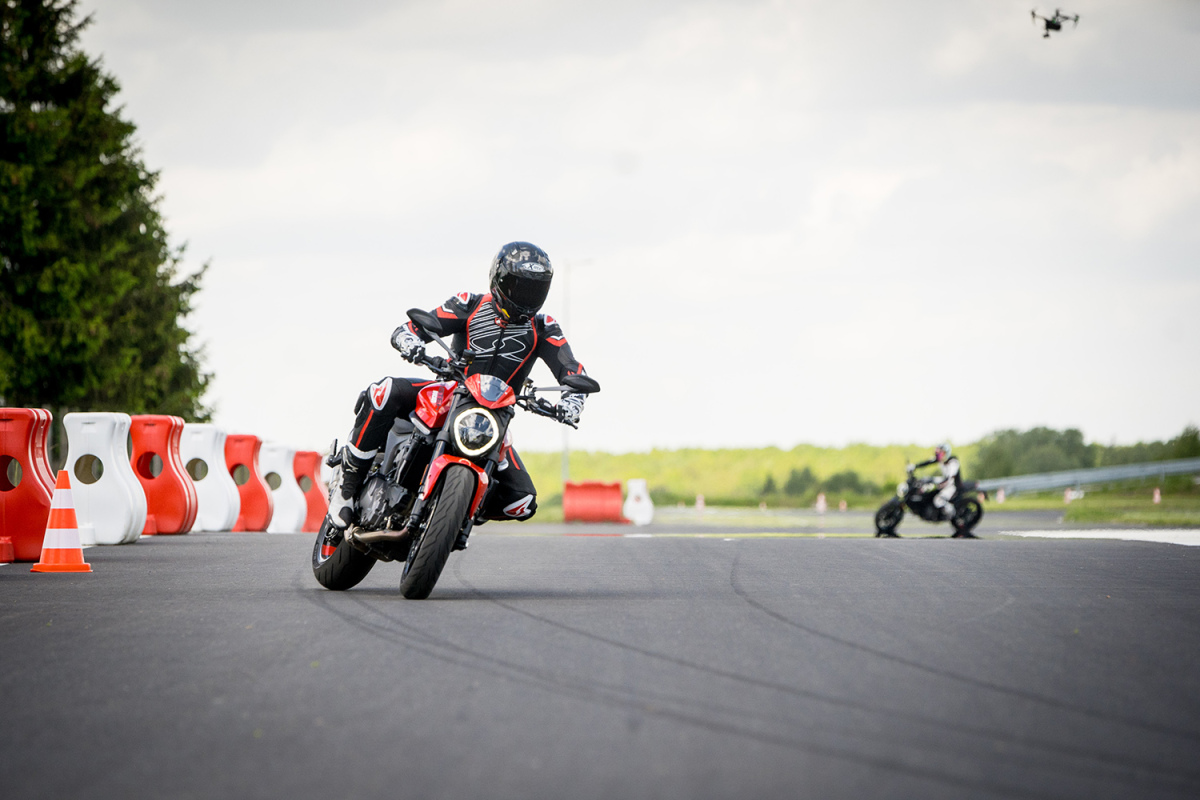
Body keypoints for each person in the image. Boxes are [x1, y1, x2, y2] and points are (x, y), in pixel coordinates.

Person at [325, 241, 591, 536]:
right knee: (384, 391)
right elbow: (411, 328)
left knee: (522, 502)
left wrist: (572, 401)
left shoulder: (544, 326)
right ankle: (347, 487)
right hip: (450, 392)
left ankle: (454, 512)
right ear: (499, 280)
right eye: (520, 287)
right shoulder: (470, 304)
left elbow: (572, 370)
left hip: (496, 416)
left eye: (535, 289)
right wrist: (411, 342)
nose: (527, 297)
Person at [913, 443, 961, 522]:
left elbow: (949, 478)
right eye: (937, 453)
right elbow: (928, 462)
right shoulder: (941, 460)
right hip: (944, 483)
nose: (938, 455)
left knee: (938, 500)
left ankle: (952, 513)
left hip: (952, 485)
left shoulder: (953, 462)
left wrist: (935, 483)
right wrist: (915, 466)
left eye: (940, 453)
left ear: (946, 453)